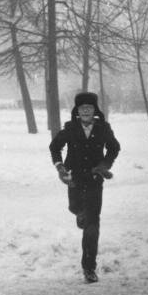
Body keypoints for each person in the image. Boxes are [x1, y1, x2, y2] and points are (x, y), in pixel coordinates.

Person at [49, 92, 121, 283]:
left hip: (95, 178)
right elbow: (54, 147)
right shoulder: (70, 128)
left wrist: (105, 165)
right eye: (82, 108)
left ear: (95, 110)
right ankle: (80, 214)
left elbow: (114, 148)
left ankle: (89, 267)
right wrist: (60, 167)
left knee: (92, 224)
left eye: (89, 107)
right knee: (75, 208)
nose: (86, 111)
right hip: (74, 178)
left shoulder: (104, 128)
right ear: (77, 111)